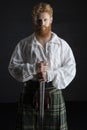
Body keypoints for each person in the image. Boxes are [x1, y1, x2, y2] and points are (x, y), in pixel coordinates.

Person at [8, 2, 76, 130]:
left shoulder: (61, 45)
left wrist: (50, 74)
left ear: (51, 19)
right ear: (34, 20)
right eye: (39, 20)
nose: (42, 23)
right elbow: (13, 67)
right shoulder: (24, 44)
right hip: (30, 92)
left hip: (53, 92)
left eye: (45, 19)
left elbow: (70, 68)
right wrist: (33, 68)